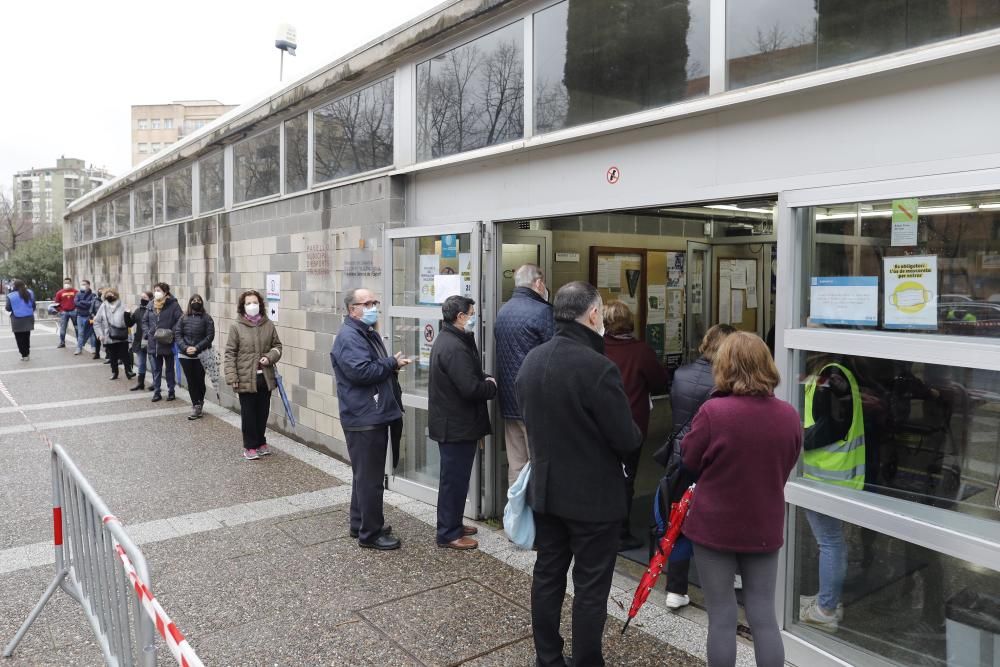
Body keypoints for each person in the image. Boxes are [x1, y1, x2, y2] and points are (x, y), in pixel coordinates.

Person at [516, 281, 641, 667]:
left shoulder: (532, 360)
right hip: (593, 500)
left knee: (548, 576)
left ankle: (548, 658)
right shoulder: (598, 368)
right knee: (590, 587)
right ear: (592, 314)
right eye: (599, 311)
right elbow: (627, 438)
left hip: (547, 492)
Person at [680, 332, 802, 667]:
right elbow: (787, 463)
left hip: (714, 527)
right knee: (763, 614)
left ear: (725, 366)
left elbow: (688, 460)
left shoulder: (713, 412)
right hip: (764, 523)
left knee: (721, 615)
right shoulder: (789, 415)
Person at [662, 323, 736, 610]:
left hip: (679, 456)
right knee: (719, 519)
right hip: (712, 460)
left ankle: (675, 589)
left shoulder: (680, 373)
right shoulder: (725, 383)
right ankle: (725, 579)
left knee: (678, 522)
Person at [330, 287, 409, 551]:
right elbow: (361, 372)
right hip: (364, 416)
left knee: (363, 476)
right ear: (353, 309)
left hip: (370, 413)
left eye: (375, 301)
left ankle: (360, 522)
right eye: (367, 303)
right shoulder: (350, 336)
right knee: (371, 479)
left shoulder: (366, 332)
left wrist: (389, 365)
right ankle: (371, 534)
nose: (373, 306)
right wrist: (391, 364)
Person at [799, 357, 867, 632]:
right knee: (830, 541)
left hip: (828, 475)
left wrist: (794, 438)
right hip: (826, 474)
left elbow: (834, 426)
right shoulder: (829, 373)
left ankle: (826, 608)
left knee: (830, 542)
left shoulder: (832, 374)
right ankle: (828, 598)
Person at [428, 295, 496, 551]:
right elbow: (470, 388)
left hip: (456, 423)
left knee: (456, 479)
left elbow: (470, 374)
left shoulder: (454, 339)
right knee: (453, 481)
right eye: (472, 313)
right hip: (455, 426)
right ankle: (448, 533)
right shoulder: (453, 346)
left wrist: (483, 378)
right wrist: (491, 386)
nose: (474, 317)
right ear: (460, 317)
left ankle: (453, 522)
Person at [602, 301, 670, 552]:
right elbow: (659, 381)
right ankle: (620, 532)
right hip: (632, 423)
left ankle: (599, 527)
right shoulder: (640, 351)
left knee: (602, 474)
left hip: (599, 423)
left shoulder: (597, 348)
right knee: (626, 478)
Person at [494, 264, 554, 484]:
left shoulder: (504, 311)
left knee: (517, 464)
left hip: (509, 400)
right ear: (538, 283)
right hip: (536, 402)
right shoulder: (543, 311)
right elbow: (553, 354)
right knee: (540, 463)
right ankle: (537, 516)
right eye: (544, 282)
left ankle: (516, 515)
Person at [224, 290, 282, 460]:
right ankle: (250, 446)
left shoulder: (268, 325)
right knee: (249, 415)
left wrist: (269, 357)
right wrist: (232, 377)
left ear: (260, 304)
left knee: (262, 413)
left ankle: (261, 442)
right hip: (245, 378)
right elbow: (230, 353)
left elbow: (277, 347)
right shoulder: (236, 326)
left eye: (255, 302)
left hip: (264, 377)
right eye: (248, 303)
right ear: (243, 306)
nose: (252, 306)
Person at [174, 294, 215, 420]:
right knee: (191, 381)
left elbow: (210, 336)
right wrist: (185, 348)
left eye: (198, 300)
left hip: (201, 355)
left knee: (199, 380)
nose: (196, 302)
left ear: (202, 303)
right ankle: (196, 405)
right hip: (185, 355)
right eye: (193, 300)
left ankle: (200, 401)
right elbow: (178, 334)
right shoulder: (183, 317)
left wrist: (197, 348)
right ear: (189, 302)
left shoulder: (207, 318)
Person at [142, 282, 183, 402]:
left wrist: (171, 332)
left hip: (167, 343)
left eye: (159, 290)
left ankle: (171, 391)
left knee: (169, 369)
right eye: (155, 290)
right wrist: (148, 332)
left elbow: (180, 320)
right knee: (156, 369)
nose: (156, 292)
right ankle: (157, 392)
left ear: (165, 292)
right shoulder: (150, 304)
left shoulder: (173, 305)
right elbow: (144, 321)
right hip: (153, 343)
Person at [92, 288, 134, 380]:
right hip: (108, 335)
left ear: (116, 295)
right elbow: (97, 321)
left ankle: (129, 371)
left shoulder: (123, 305)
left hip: (122, 334)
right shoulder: (103, 306)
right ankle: (115, 372)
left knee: (125, 354)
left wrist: (128, 313)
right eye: (107, 294)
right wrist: (99, 334)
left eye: (111, 294)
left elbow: (129, 322)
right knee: (113, 355)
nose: (109, 296)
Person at [127, 291, 153, 391]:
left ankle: (156, 383)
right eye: (141, 297)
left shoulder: (153, 310)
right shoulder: (138, 311)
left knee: (153, 364)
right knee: (141, 363)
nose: (142, 299)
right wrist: (127, 313)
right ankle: (140, 383)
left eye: (145, 297)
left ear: (150, 299)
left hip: (150, 341)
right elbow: (129, 323)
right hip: (139, 341)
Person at [5, 280, 35, 361]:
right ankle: (27, 353)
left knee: (19, 338)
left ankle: (24, 355)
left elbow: (8, 308)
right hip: (28, 317)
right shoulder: (30, 293)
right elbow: (33, 305)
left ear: (14, 286)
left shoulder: (11, 295)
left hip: (17, 319)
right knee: (26, 336)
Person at [73, 280, 96, 356]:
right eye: (82, 284)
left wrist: (82, 302)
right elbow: (76, 303)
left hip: (90, 317)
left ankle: (93, 347)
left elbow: (92, 304)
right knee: (80, 333)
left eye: (84, 284)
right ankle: (79, 348)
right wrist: (85, 303)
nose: (83, 285)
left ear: (89, 285)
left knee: (92, 333)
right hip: (80, 316)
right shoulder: (78, 294)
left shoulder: (93, 295)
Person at [53, 278, 78, 349]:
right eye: (65, 283)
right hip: (64, 312)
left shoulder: (76, 292)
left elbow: (79, 301)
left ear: (71, 283)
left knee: (77, 328)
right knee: (63, 328)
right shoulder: (59, 293)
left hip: (74, 312)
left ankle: (79, 342)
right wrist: (60, 310)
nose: (67, 284)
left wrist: (76, 309)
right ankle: (62, 342)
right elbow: (56, 303)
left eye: (68, 283)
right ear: (63, 283)